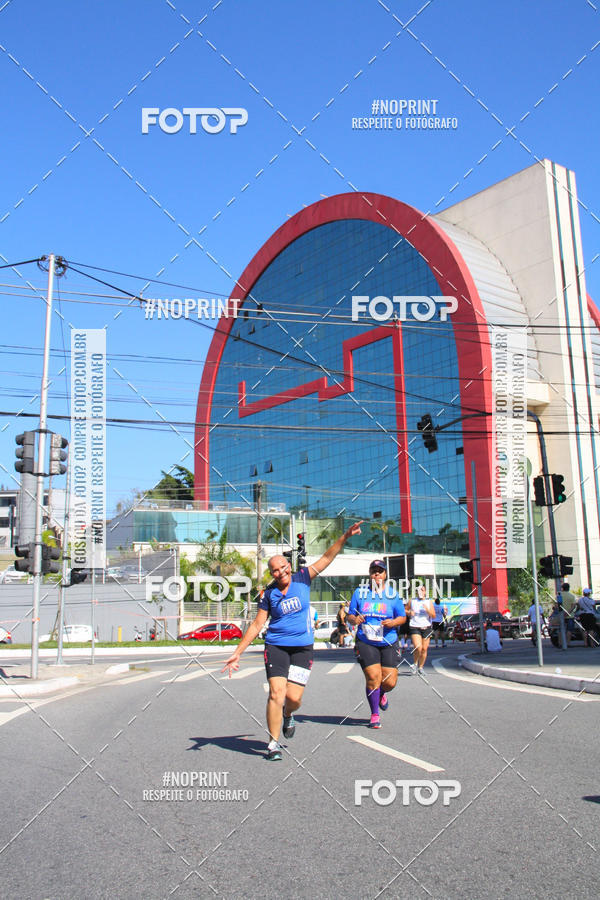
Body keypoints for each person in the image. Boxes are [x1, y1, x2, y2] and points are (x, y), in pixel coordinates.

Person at [222, 521, 363, 760]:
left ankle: (288, 714)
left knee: (294, 699)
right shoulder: (269, 594)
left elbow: (327, 558)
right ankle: (272, 743)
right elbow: (257, 625)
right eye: (275, 570)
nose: (281, 572)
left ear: (289, 565)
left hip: (302, 648)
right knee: (276, 693)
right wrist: (238, 652)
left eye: (283, 567)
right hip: (276, 645)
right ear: (272, 573)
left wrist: (345, 537)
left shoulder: (303, 578)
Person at [346, 560, 406, 729]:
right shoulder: (359, 593)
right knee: (373, 678)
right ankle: (374, 714)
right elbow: (350, 615)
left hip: (388, 640)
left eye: (380, 571)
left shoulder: (393, 595)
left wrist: (393, 623)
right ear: (370, 574)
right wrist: (355, 619)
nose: (377, 574)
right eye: (374, 571)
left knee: (389, 682)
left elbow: (402, 617)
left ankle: (382, 694)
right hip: (366, 641)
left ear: (385, 575)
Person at [406, 583, 435, 674]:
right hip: (415, 626)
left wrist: (427, 610)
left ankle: (421, 667)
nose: (420, 592)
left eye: (422, 590)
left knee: (424, 649)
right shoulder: (412, 601)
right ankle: (415, 664)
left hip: (426, 627)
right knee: (418, 647)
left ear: (425, 592)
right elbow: (405, 610)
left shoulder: (428, 602)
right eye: (418, 590)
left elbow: (433, 615)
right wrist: (409, 612)